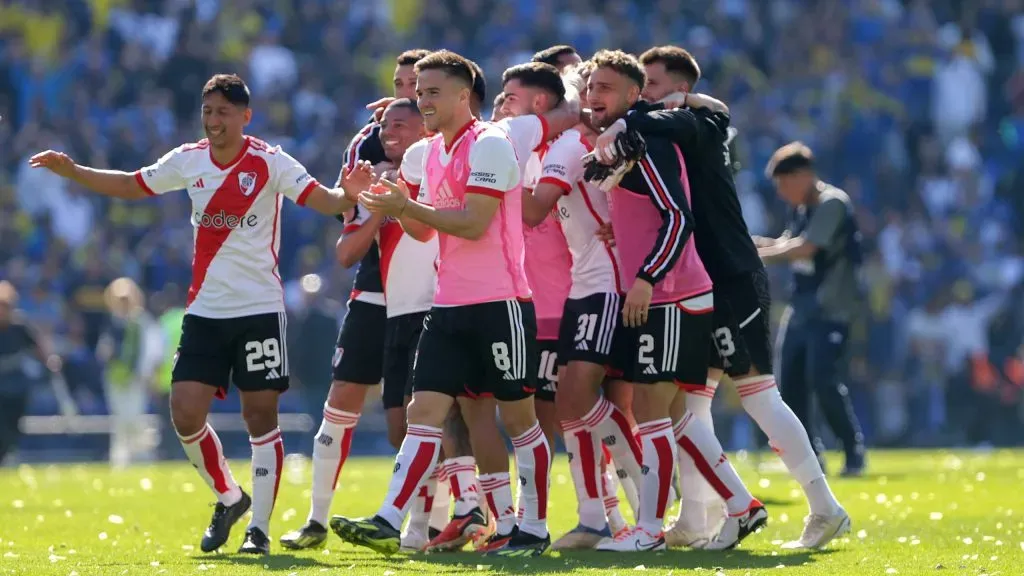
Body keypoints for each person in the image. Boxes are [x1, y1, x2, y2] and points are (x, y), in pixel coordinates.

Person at [29, 73, 359, 554]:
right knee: (184, 412)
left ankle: (259, 530)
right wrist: (73, 170)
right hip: (205, 311)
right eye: (207, 112)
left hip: (259, 311)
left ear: (246, 117)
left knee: (260, 416)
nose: (213, 121)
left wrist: (348, 193)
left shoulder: (270, 162)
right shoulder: (188, 160)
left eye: (223, 112)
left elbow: (326, 201)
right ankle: (230, 496)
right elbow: (131, 184)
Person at [597, 45, 851, 550]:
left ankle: (825, 508)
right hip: (698, 284)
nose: (643, 96)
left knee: (759, 397)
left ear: (679, 89)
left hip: (732, 279)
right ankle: (696, 517)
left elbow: (691, 118)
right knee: (691, 407)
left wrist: (628, 122)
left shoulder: (696, 125)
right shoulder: (681, 122)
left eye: (650, 85)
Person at [330, 49, 551, 558]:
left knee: (519, 421)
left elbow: (474, 223)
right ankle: (388, 518)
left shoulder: (491, 145)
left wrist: (406, 203)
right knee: (422, 410)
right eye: (418, 90)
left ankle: (533, 528)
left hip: (502, 304)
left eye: (432, 92)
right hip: (448, 305)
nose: (421, 100)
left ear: (463, 96)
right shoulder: (427, 153)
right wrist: (384, 200)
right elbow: (422, 231)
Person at [584, 50, 766, 552]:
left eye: (604, 88)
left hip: (669, 293)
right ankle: (742, 506)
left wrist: (645, 277)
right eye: (589, 87)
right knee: (676, 414)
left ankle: (648, 529)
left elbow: (677, 217)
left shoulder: (645, 138)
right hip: (663, 293)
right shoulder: (627, 139)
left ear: (632, 95)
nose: (592, 96)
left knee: (652, 410)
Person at [281, 49, 432, 552]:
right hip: (376, 285)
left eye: (416, 82)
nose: (408, 89)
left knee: (422, 416)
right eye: (400, 81)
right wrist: (370, 187)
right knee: (342, 398)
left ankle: (434, 521)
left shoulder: (455, 138)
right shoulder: (369, 139)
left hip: (437, 288)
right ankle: (317, 518)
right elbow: (346, 211)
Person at [508, 61, 644, 549]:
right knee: (570, 406)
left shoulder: (565, 147)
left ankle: (644, 493)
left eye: (510, 99)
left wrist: (485, 180)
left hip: (605, 282)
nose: (503, 107)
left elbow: (532, 210)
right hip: (581, 287)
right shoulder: (552, 149)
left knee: (578, 399)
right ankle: (596, 517)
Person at [757, 142, 867, 477]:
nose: (782, 192)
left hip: (832, 309)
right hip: (802, 308)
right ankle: (809, 457)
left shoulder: (832, 203)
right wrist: (752, 243)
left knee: (823, 380)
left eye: (784, 183)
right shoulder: (802, 208)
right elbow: (785, 242)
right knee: (789, 383)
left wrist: (756, 254)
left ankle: (852, 451)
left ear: (803, 175)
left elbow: (804, 249)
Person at [96, 277, 161, 468]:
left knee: (134, 417)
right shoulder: (111, 322)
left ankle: (141, 456)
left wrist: (147, 375)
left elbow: (152, 350)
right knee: (120, 420)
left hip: (136, 379)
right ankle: (120, 460)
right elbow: (103, 350)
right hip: (115, 379)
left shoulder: (142, 322)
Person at [0, 281, 61, 464]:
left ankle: (8, 453)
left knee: (15, 423)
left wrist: (50, 361)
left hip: (16, 384)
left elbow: (39, 346)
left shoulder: (20, 327)